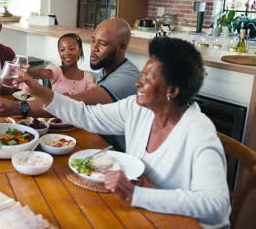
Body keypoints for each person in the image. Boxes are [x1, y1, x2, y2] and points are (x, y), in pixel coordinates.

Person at [14, 37, 231, 228]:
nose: (137, 82)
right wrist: (39, 90)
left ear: (172, 91)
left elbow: (216, 206)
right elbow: (87, 115)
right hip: (144, 213)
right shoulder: (137, 108)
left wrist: (136, 194)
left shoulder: (198, 132)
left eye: (147, 79)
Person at [0, 18, 140, 151]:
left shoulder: (126, 78)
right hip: (94, 140)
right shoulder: (104, 72)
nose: (94, 49)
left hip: (115, 152)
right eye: (93, 41)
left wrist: (18, 107)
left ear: (122, 47)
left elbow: (76, 104)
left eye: (103, 44)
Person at [27, 33, 95, 95]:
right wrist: (25, 71)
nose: (67, 53)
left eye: (71, 49)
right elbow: (42, 73)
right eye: (62, 50)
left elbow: (91, 98)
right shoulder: (56, 70)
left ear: (79, 50)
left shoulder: (87, 76)